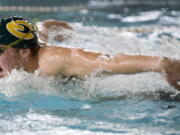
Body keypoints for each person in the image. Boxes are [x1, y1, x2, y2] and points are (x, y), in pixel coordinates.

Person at [0, 16, 180, 91]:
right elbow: (36, 36)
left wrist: (161, 63)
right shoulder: (24, 51)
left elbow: (108, 62)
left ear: (24, 52)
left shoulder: (53, 59)